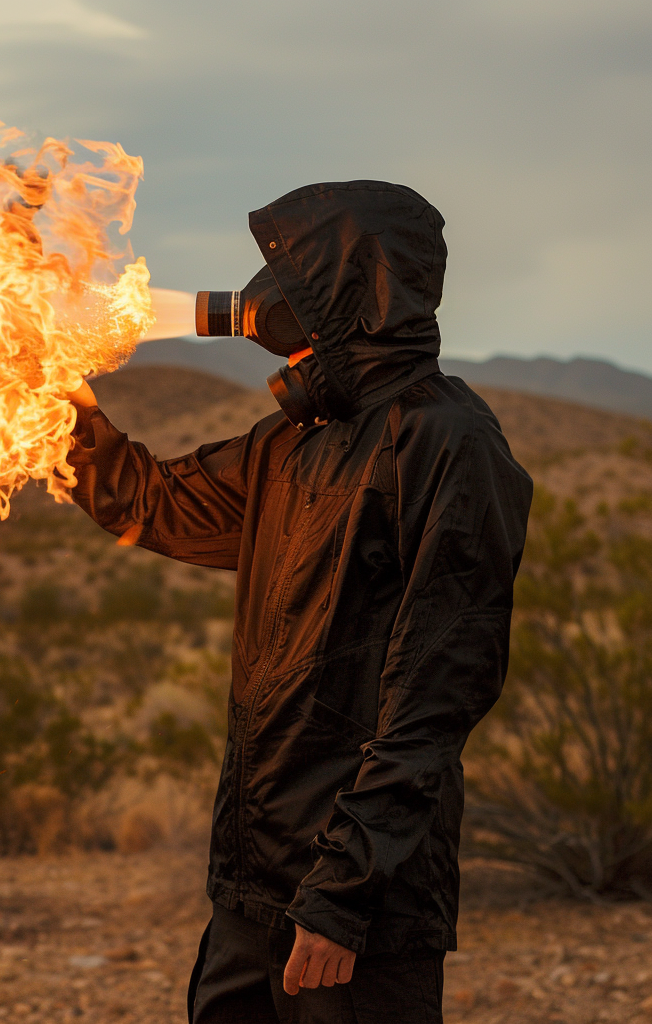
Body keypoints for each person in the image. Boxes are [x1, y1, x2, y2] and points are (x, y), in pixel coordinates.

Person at [66, 181, 533, 1023]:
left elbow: (440, 690)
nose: (265, 305)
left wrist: (343, 896)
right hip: (252, 881)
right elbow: (150, 505)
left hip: (355, 899)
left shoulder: (447, 442)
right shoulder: (291, 443)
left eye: (292, 280)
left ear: (350, 295)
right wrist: (56, 398)